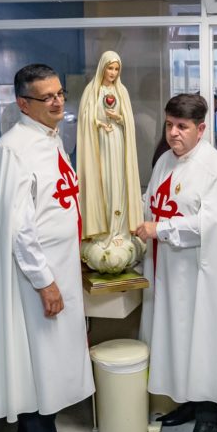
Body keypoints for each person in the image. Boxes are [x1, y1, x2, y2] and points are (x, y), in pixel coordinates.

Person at [0, 63, 94, 432]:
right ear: (23, 104)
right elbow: (19, 226)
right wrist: (45, 282)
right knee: (37, 359)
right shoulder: (15, 149)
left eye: (60, 93)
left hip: (58, 266)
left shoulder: (50, 140)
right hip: (34, 276)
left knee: (52, 357)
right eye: (47, 97)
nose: (58, 102)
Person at [135, 93, 217, 432]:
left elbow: (210, 223)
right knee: (177, 338)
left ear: (201, 128)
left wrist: (161, 229)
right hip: (170, 270)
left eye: (182, 127)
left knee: (203, 342)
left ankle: (208, 418)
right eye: (169, 125)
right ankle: (186, 402)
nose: (173, 133)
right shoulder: (164, 162)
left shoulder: (216, 168)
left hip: (202, 274)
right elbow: (151, 201)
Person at [77, 51, 145, 274]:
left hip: (117, 144)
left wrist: (119, 119)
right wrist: (97, 122)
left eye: (117, 69)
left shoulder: (121, 91)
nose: (113, 73)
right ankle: (103, 233)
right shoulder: (92, 90)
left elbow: (129, 122)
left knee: (119, 186)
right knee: (104, 185)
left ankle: (119, 232)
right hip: (99, 148)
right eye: (110, 68)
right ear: (102, 68)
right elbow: (85, 119)